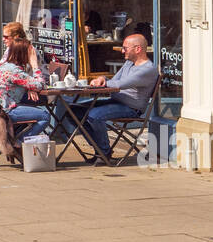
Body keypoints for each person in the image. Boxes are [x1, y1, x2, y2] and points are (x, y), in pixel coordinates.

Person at [60, 32, 159, 160]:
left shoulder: (147, 69)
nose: (122, 51)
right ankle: (99, 148)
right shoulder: (129, 63)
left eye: (125, 48)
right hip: (115, 101)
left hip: (131, 108)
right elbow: (115, 79)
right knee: (73, 112)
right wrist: (102, 78)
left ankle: (104, 152)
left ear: (138, 49)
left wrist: (104, 83)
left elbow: (121, 84)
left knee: (94, 115)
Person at [0, 33, 52, 142]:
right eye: (31, 52)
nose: (33, 55)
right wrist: (34, 65)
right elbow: (40, 85)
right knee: (45, 116)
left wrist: (29, 87)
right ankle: (19, 143)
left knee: (30, 109)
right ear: (23, 54)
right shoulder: (15, 71)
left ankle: (15, 139)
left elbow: (25, 82)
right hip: (4, 112)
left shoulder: (3, 67)